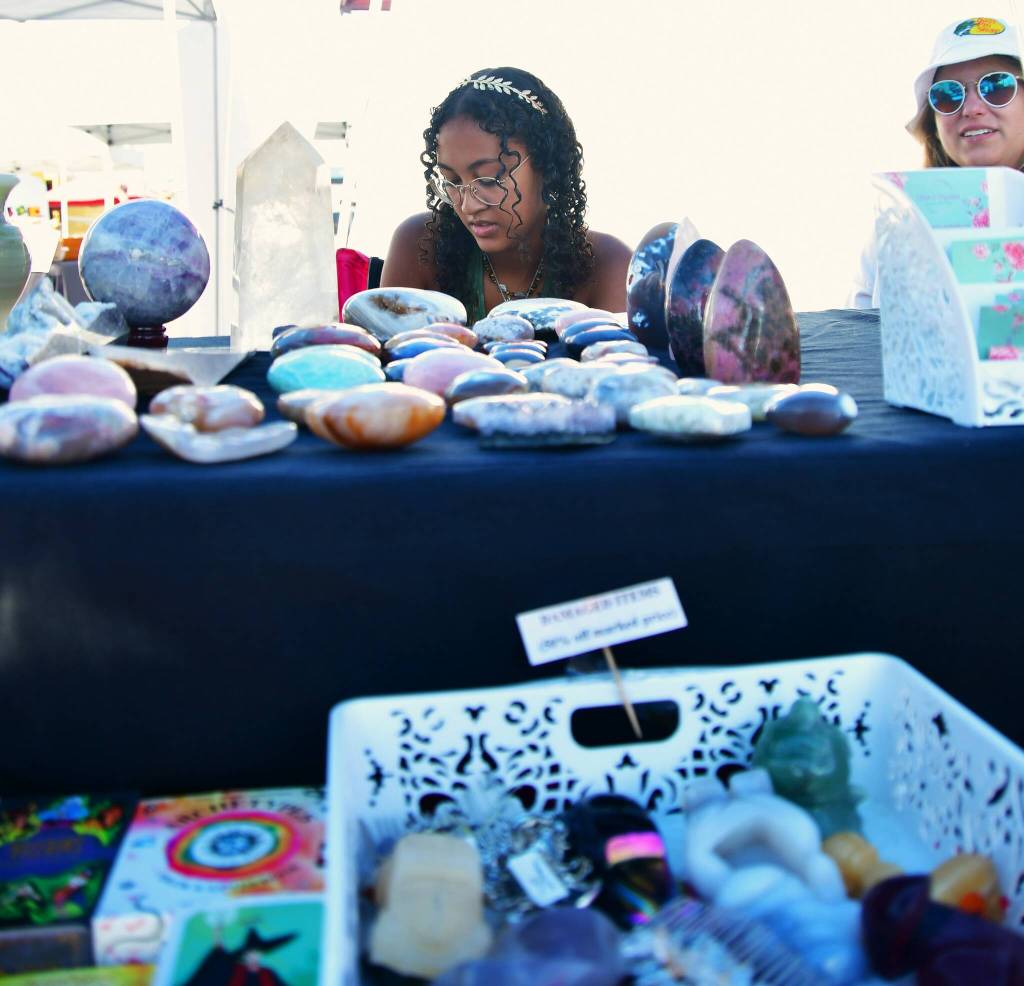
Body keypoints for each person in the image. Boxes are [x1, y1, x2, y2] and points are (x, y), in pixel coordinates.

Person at [380, 67, 631, 322]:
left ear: (547, 166)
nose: (468, 205)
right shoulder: (420, 247)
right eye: (452, 181)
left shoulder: (607, 265)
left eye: (489, 179)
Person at [850, 16, 1024, 308]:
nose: (971, 108)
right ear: (934, 121)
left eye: (996, 87)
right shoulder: (896, 225)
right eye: (948, 95)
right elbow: (862, 336)